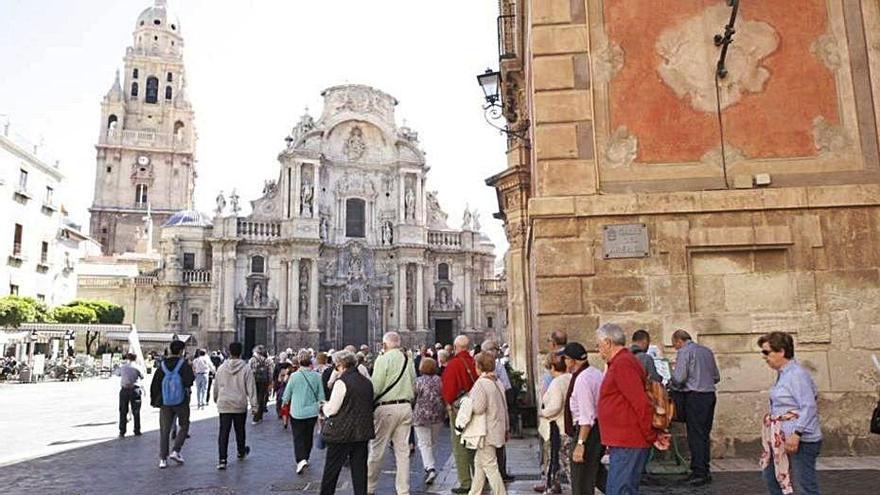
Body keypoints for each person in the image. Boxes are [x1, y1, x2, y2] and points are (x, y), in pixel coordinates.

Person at [595, 323, 669, 494]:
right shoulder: (622, 361)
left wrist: (651, 435)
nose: (598, 350)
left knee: (621, 489)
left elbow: (640, 403)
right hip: (624, 440)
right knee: (618, 488)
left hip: (628, 440)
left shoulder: (623, 363)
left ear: (608, 342)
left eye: (599, 345)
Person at [758, 332, 822, 495]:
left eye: (767, 352)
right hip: (780, 438)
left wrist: (797, 433)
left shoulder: (796, 374)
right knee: (772, 476)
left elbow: (809, 405)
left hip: (800, 439)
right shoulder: (783, 374)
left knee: (804, 485)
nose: (764, 357)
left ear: (781, 352)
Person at [367, 332, 417, 495]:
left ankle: (369, 487)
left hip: (386, 408)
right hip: (405, 407)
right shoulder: (408, 360)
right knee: (403, 452)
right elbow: (413, 383)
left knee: (377, 450)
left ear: (384, 344)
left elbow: (376, 387)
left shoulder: (383, 359)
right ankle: (403, 490)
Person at [319, 349, 375, 495]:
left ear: (342, 365)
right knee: (359, 470)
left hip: (342, 433)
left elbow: (332, 409)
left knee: (332, 469)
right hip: (361, 432)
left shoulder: (341, 383)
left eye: (336, 366)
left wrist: (323, 406)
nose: (336, 369)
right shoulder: (367, 382)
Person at [670, 329, 720, 486]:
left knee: (695, 435)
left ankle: (698, 472)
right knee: (704, 434)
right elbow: (716, 377)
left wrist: (671, 380)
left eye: (675, 346)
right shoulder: (707, 351)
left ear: (679, 341)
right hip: (709, 395)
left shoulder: (684, 352)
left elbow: (679, 378)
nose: (676, 348)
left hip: (695, 397)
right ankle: (704, 469)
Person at [457, 351, 509, 495]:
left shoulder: (481, 384)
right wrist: (507, 428)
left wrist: (467, 403)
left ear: (478, 367)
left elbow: (479, 408)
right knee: (479, 465)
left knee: (490, 467)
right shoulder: (497, 381)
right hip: (497, 428)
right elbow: (504, 406)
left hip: (485, 432)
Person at [559, 342, 606, 495]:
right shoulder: (595, 373)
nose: (564, 362)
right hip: (597, 430)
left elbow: (587, 415)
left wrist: (580, 443)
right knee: (596, 473)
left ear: (573, 360)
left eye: (565, 358)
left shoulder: (583, 379)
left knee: (581, 479)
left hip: (587, 432)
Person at [442, 335, 479, 494]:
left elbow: (448, 391)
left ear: (456, 347)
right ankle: (480, 480)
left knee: (460, 445)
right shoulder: (475, 363)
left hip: (459, 409)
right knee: (474, 445)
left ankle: (465, 482)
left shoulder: (453, 364)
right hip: (476, 408)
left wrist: (448, 404)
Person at [150, 340, 195, 468]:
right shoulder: (183, 365)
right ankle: (176, 450)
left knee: (165, 430)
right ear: (181, 351)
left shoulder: (162, 365)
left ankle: (162, 459)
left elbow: (155, 384)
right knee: (184, 425)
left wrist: (155, 401)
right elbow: (189, 381)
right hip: (181, 400)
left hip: (165, 401)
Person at [213, 342, 257, 470]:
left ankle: (222, 459)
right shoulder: (246, 368)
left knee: (223, 432)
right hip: (239, 404)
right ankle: (241, 451)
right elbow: (251, 387)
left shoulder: (221, 368)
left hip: (224, 403)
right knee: (240, 430)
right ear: (241, 352)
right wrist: (254, 406)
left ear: (229, 352)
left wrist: (216, 399)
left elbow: (216, 386)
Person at [283, 350, 325, 474]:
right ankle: (305, 456)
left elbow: (287, 394)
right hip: (312, 412)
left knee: (298, 436)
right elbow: (321, 395)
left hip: (297, 411)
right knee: (308, 435)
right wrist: (321, 409)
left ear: (300, 362)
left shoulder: (294, 376)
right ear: (310, 361)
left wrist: (284, 402)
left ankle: (301, 459)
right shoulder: (317, 376)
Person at [481, 339, 515, 482]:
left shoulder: (480, 366)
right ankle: (499, 472)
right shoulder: (498, 367)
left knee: (487, 444)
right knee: (498, 442)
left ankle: (488, 474)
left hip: (485, 412)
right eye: (496, 349)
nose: (497, 352)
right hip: (498, 409)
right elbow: (507, 387)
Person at [540, 353, 572, 494]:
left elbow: (556, 405)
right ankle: (557, 484)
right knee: (567, 461)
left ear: (553, 367)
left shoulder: (557, 382)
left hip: (557, 426)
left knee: (559, 460)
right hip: (568, 425)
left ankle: (556, 484)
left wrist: (543, 413)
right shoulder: (570, 378)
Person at [413, 357, 446, 485]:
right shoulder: (439, 380)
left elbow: (413, 396)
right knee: (432, 442)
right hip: (437, 415)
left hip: (421, 415)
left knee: (423, 443)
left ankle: (430, 467)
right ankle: (430, 464)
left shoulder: (419, 381)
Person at [117, 353, 143, 437]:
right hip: (135, 389)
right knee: (136, 411)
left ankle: (122, 431)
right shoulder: (137, 367)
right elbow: (142, 376)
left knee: (123, 411)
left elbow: (117, 373)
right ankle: (137, 430)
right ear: (135, 358)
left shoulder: (123, 366)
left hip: (124, 389)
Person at [248, 345, 273, 424]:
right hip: (264, 381)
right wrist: (270, 382)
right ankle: (260, 415)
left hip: (254, 381)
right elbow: (270, 372)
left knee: (255, 398)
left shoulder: (252, 360)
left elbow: (248, 371)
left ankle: (256, 417)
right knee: (261, 398)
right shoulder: (267, 360)